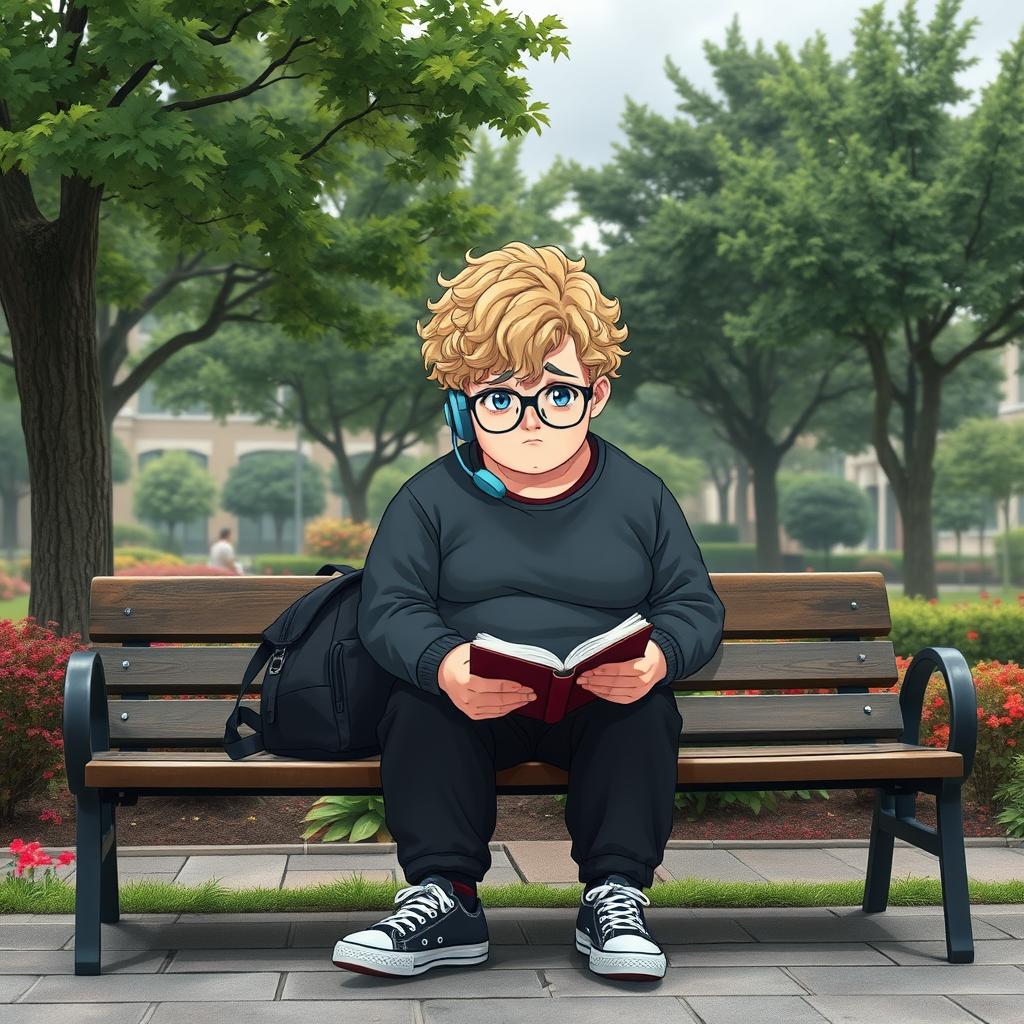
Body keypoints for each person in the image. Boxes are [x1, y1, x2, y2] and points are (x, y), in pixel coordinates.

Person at [334, 241, 725, 982]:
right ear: (462, 400)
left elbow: (694, 603)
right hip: (477, 700)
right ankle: (444, 899)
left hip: (601, 701)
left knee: (645, 712)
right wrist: (444, 663)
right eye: (499, 398)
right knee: (421, 708)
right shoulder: (429, 498)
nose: (531, 420)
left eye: (557, 393)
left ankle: (616, 897)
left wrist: (658, 658)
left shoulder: (640, 496)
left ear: (596, 392)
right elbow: (389, 607)